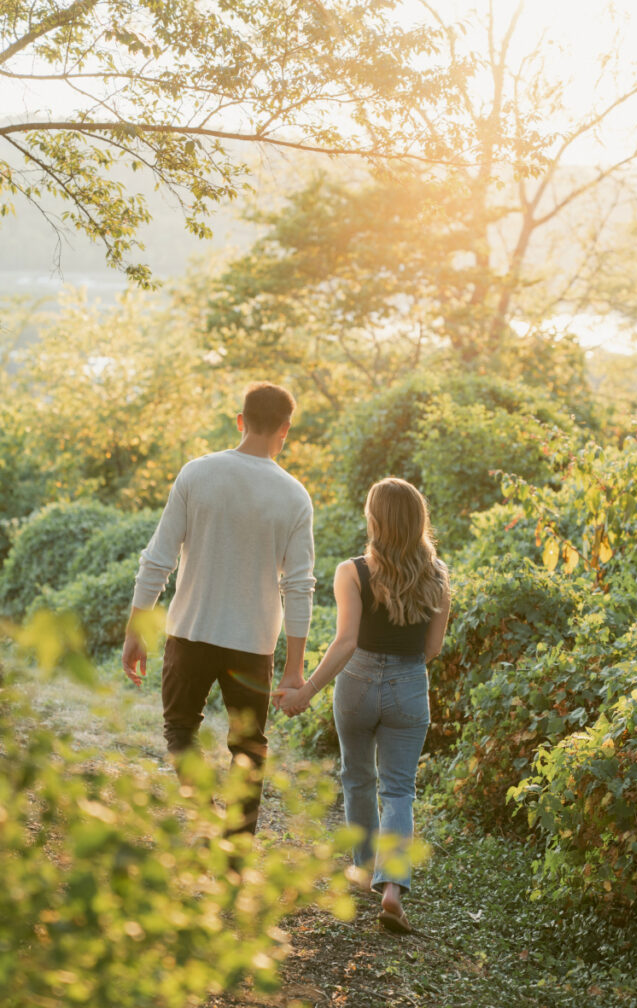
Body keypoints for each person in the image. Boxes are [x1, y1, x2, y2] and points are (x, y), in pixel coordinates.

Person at [121, 381, 315, 836]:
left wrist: (136, 628)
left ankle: (205, 817)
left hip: (190, 631)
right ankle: (235, 855)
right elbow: (300, 587)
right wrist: (294, 668)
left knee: (180, 730)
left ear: (240, 421)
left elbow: (158, 558)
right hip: (253, 644)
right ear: (285, 429)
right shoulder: (294, 496)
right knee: (249, 749)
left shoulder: (197, 473)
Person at [276, 477, 450, 934]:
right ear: (417, 521)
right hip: (410, 683)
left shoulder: (352, 571)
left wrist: (306, 690)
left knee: (357, 777)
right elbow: (433, 647)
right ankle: (391, 886)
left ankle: (364, 869)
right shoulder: (438, 574)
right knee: (398, 790)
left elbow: (346, 641)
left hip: (356, 683)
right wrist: (403, 669)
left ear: (374, 520)